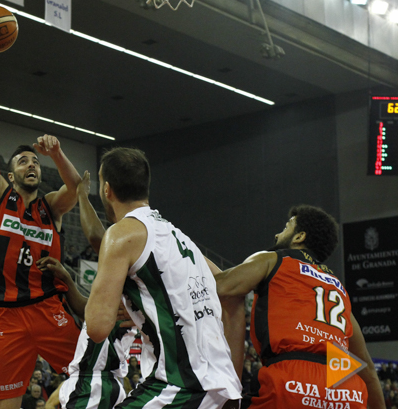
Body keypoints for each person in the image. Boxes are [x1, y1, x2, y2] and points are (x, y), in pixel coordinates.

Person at [0, 39, 81, 409]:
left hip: (50, 308)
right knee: (6, 405)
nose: (31, 164)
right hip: (7, 316)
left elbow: (75, 187)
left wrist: (57, 154)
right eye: (23, 161)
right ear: (10, 173)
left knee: (91, 378)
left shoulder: (51, 207)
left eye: (35, 161)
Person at [84, 147, 241, 408]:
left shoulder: (120, 235)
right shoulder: (181, 239)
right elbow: (231, 289)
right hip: (225, 391)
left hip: (181, 389)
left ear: (107, 190)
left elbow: (97, 327)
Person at [214, 205, 384, 409]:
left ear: (299, 237)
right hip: (345, 388)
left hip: (291, 381)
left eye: (286, 227)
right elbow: (367, 367)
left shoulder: (273, 259)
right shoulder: (338, 289)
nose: (277, 235)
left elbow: (220, 287)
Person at [39, 171, 138, 409]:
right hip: (98, 383)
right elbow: (89, 310)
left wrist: (82, 195)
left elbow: (97, 237)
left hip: (94, 383)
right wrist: (67, 279)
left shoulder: (129, 270)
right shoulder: (120, 292)